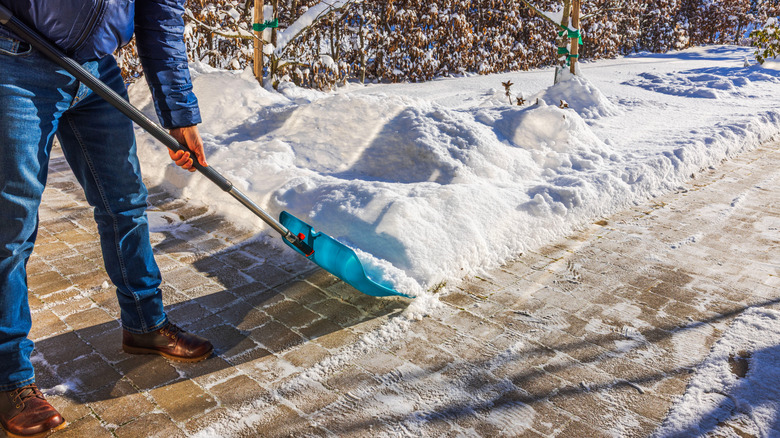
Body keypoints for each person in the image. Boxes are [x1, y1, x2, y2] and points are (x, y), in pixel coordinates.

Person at [0, 1, 214, 436]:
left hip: (97, 71)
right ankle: (9, 377)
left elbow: (161, 18)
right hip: (15, 64)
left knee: (126, 204)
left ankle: (144, 324)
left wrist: (180, 115)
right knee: (11, 229)